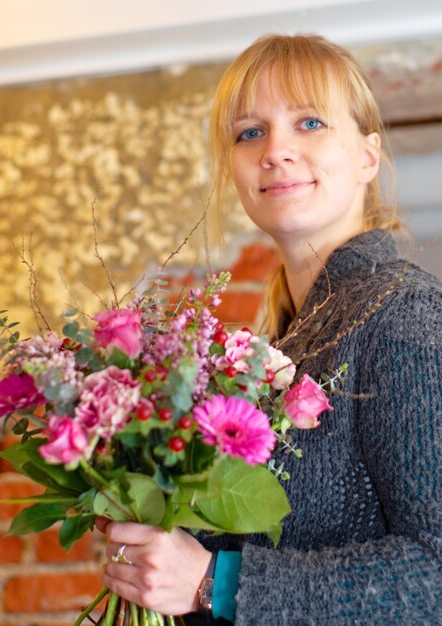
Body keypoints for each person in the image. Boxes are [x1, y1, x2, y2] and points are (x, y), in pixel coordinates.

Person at [97, 34, 442, 625]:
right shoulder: (278, 346)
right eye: (249, 132)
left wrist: (215, 581)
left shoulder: (404, 316)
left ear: (367, 155)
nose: (275, 150)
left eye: (309, 122)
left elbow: (434, 574)